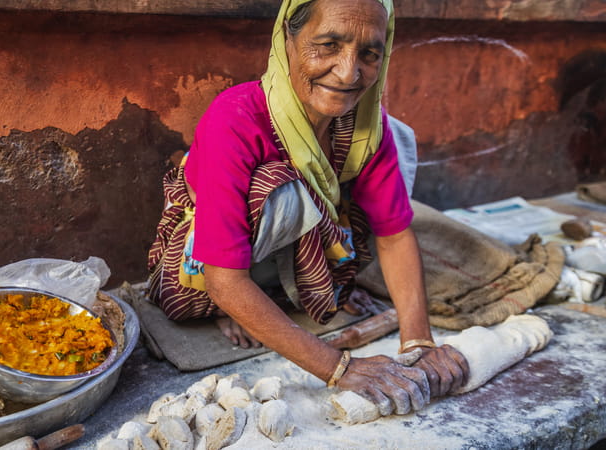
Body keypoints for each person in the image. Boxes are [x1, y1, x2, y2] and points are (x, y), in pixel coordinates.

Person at [147, 0, 469, 415]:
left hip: (285, 248)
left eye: (369, 54)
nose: (349, 72)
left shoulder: (365, 127)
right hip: (204, 265)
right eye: (328, 45)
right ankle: (229, 309)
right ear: (288, 40)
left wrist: (419, 341)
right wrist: (340, 368)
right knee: (278, 186)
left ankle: (284, 296)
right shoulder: (236, 118)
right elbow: (224, 277)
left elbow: (394, 234)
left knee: (385, 154)